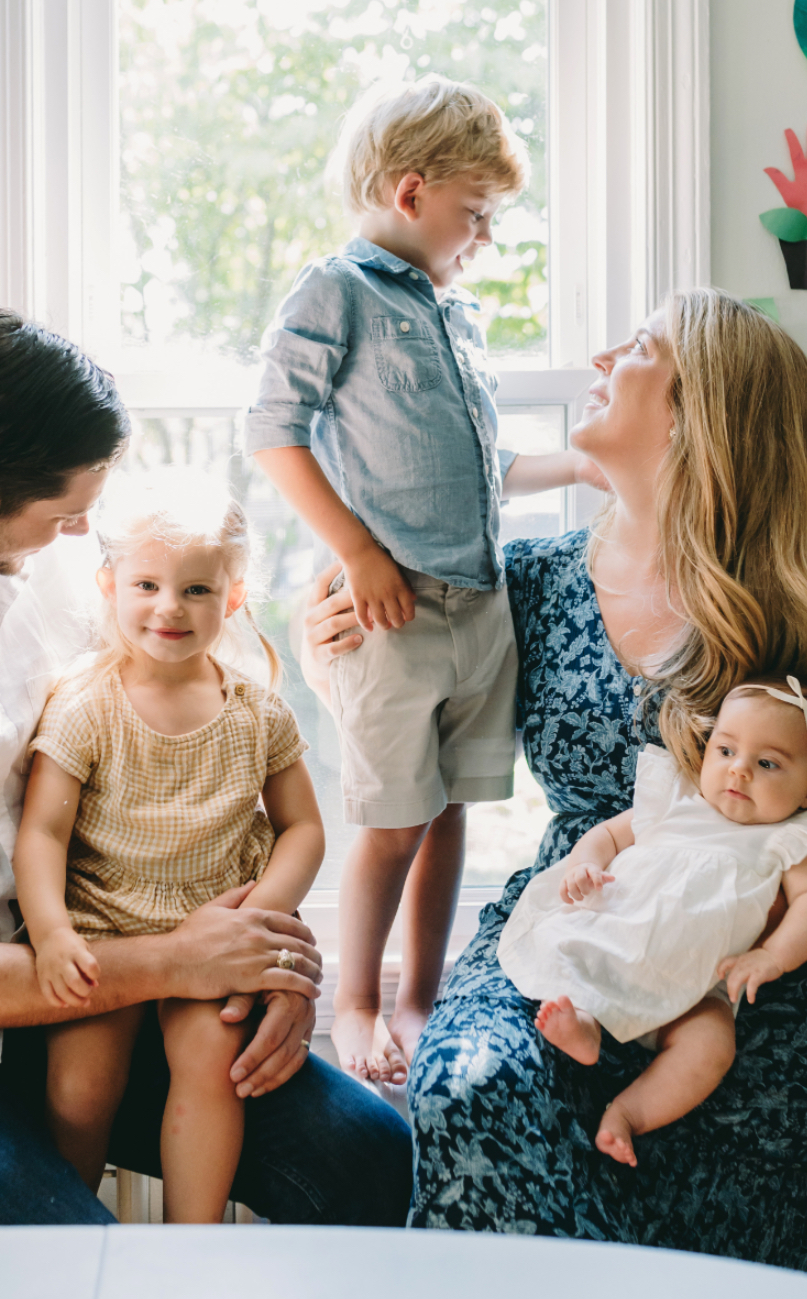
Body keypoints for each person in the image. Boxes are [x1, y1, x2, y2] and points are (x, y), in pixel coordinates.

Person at [0, 310, 412, 1226]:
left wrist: (265, 958)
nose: (82, 532)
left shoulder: (48, 565)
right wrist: (175, 961)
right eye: (66, 513)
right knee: (74, 1273)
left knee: (370, 1157)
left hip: (85, 963)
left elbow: (203, 694)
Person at [303, 288, 807, 1273]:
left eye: (642, 344)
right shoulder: (521, 580)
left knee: (758, 1094)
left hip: (768, 940)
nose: (602, 353)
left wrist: (703, 943)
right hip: (574, 911)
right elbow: (410, 758)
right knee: (468, 1084)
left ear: (700, 407)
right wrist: (332, 658)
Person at [246, 73, 595, 1084]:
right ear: (409, 193)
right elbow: (271, 430)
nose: (481, 238)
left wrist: (577, 465)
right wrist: (355, 553)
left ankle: (421, 991)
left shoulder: (455, 315)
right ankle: (353, 1001)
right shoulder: (336, 294)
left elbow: (482, 470)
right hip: (391, 614)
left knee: (448, 813)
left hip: (474, 609)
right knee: (392, 817)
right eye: (473, 215)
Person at [15, 478, 325, 1218]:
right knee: (81, 1084)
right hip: (103, 925)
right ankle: (76, 1236)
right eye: (147, 584)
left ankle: (193, 1251)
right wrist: (53, 932)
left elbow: (304, 828)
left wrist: (261, 915)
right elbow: (42, 832)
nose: (169, 607)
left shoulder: (256, 711)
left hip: (215, 923)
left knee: (211, 1069)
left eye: (195, 588)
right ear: (109, 585)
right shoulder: (88, 705)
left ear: (235, 596)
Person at [500, 674, 807, 1167]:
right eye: (726, 751)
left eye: (767, 763)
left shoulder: (796, 836)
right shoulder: (677, 799)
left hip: (695, 985)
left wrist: (772, 955)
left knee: (710, 1046)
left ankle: (628, 1114)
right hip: (622, 931)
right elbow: (609, 835)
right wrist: (587, 864)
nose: (740, 772)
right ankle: (586, 1023)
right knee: (581, 953)